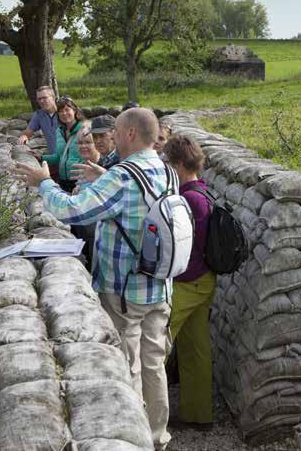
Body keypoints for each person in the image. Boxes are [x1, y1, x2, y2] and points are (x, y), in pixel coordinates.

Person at [14, 108, 173, 450]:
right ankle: (159, 437)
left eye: (116, 131)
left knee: (125, 365)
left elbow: (72, 210)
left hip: (123, 289)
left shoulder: (125, 176)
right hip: (160, 284)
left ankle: (135, 439)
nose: (111, 138)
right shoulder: (164, 169)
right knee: (154, 364)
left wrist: (43, 182)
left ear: (130, 134)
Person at [164, 135, 215, 431]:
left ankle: (150, 417)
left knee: (158, 344)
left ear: (180, 165)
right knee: (196, 349)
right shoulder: (204, 193)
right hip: (206, 280)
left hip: (187, 282)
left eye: (169, 163)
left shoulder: (186, 199)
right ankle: (199, 415)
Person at [38, 96, 85, 193]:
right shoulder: (59, 132)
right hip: (63, 181)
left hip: (80, 180)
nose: (64, 113)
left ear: (75, 111)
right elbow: (59, 157)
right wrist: (41, 157)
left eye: (67, 110)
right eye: (60, 111)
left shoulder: (84, 130)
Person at [71, 124, 99, 268]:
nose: (83, 146)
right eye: (80, 143)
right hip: (83, 226)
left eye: (88, 142)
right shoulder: (83, 164)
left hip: (97, 232)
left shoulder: (103, 166)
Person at [18, 86, 59, 154]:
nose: (41, 101)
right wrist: (24, 136)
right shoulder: (39, 115)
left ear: (53, 97)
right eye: (39, 99)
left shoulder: (64, 113)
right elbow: (28, 131)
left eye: (45, 98)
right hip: (54, 156)